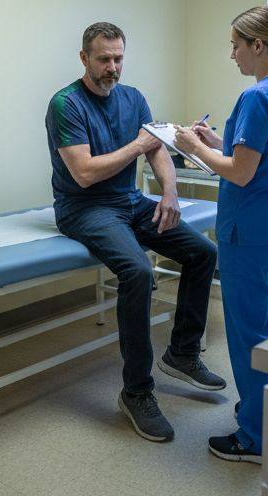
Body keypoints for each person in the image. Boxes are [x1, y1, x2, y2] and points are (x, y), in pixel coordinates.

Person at [45, 22, 225, 443]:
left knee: (203, 253)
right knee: (138, 272)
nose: (112, 67)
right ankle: (137, 391)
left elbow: (157, 148)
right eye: (104, 59)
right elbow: (85, 173)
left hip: (130, 201)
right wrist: (138, 146)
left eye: (118, 58)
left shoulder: (133, 98)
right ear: (84, 58)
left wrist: (169, 192)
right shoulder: (65, 104)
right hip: (84, 207)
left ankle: (182, 353)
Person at [173, 5, 268, 464]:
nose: (232, 54)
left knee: (248, 331)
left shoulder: (255, 97)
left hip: (249, 229)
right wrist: (215, 142)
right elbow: (255, 154)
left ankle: (253, 437)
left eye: (235, 45)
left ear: (257, 45)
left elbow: (241, 172)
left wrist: (192, 147)